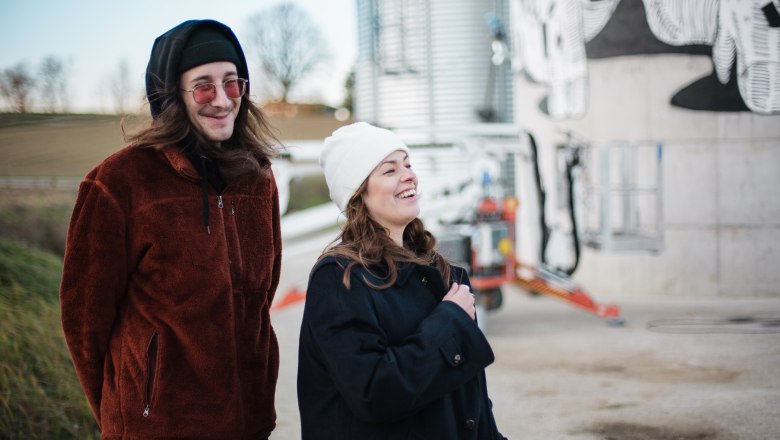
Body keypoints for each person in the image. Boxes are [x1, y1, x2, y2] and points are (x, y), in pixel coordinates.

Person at [59, 19, 282, 439]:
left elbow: (261, 299)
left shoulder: (258, 179)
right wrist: (122, 416)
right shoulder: (118, 182)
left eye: (232, 83)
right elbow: (84, 321)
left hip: (248, 424)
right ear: (171, 97)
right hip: (157, 427)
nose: (221, 99)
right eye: (203, 86)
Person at [297, 122, 507, 439]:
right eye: (390, 170)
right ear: (358, 193)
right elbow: (374, 392)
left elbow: (472, 400)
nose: (409, 175)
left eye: (407, 164)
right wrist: (448, 323)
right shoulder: (340, 279)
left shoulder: (446, 274)